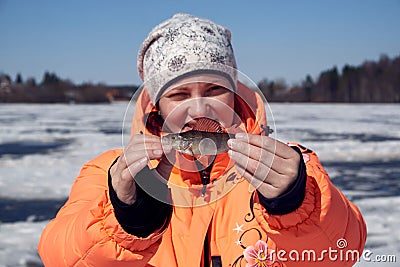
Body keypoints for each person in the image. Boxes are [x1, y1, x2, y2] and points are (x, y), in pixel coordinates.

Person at [38, 13, 366, 266]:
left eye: (214, 89)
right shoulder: (107, 172)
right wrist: (126, 218)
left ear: (235, 92)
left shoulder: (289, 165)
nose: (199, 108)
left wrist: (295, 204)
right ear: (156, 103)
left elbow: (343, 251)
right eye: (179, 94)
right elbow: (58, 255)